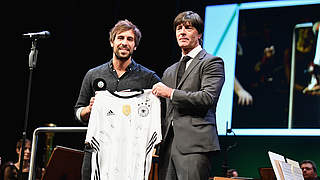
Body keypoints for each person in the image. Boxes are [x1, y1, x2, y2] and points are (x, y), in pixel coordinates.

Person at [74, 19, 161, 180]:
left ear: (135, 45)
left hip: (130, 156)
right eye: (120, 38)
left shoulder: (149, 78)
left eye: (130, 39)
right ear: (112, 42)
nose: (124, 43)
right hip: (97, 152)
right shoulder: (93, 74)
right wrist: (89, 109)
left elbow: (160, 114)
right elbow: (78, 112)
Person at [152, 11, 225, 180]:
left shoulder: (212, 62)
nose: (182, 32)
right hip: (167, 147)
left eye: (188, 28)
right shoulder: (169, 71)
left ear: (199, 34)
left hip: (195, 146)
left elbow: (207, 98)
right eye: (179, 28)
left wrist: (171, 93)